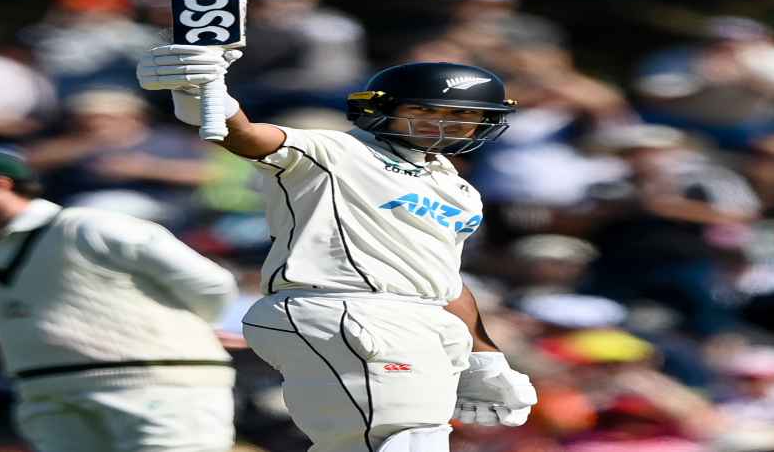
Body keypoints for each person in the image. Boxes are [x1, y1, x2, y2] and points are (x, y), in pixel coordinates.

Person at [137, 45, 537, 452]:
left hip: (418, 320)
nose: (444, 125)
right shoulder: (336, 151)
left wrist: (485, 355)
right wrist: (205, 94)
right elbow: (246, 136)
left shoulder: (459, 189)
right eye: (428, 112)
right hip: (343, 307)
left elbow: (445, 280)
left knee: (396, 441)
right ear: (382, 109)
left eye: (464, 116)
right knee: (402, 437)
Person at [0, 148, 239, 452]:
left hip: (157, 385)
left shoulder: (89, 227)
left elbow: (210, 282)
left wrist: (195, 329)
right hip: (46, 391)